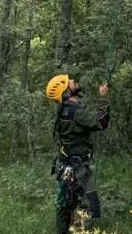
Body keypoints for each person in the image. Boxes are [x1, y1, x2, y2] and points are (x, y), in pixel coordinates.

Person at [45, 74, 110, 234]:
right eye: (70, 82)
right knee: (90, 206)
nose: (74, 81)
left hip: (66, 165)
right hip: (77, 168)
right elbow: (101, 122)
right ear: (65, 92)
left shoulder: (64, 111)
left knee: (65, 204)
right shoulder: (75, 112)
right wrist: (103, 98)